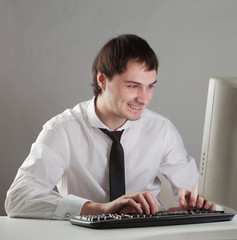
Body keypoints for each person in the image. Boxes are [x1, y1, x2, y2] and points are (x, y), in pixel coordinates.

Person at [5, 34, 215, 220]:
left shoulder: (162, 129)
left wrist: (199, 201)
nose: (144, 98)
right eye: (132, 86)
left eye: (150, 86)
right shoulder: (62, 129)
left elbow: (196, 191)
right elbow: (18, 197)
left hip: (149, 234)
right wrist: (101, 209)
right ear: (102, 80)